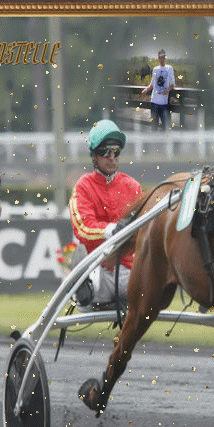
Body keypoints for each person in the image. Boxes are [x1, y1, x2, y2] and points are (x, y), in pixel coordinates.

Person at [68, 119, 142, 307]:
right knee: (84, 259)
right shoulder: (83, 186)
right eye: (105, 151)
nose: (111, 157)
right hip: (98, 270)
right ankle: (81, 284)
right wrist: (112, 230)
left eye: (116, 151)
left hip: (129, 273)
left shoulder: (133, 187)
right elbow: (83, 228)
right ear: (94, 155)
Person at [140, 49, 175, 130]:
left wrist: (168, 90)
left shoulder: (169, 68)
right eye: (160, 57)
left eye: (163, 57)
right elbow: (152, 84)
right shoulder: (155, 69)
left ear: (165, 57)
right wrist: (146, 90)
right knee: (154, 127)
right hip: (154, 103)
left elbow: (173, 84)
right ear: (158, 58)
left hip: (164, 103)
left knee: (166, 128)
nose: (161, 59)